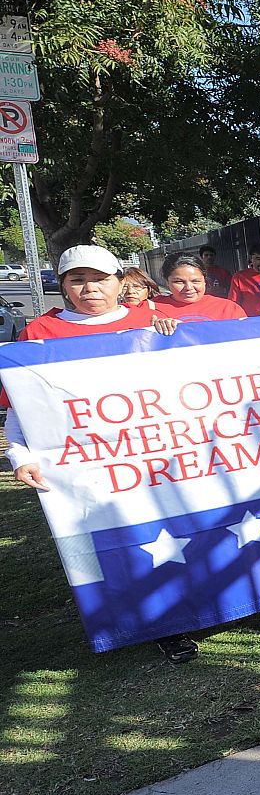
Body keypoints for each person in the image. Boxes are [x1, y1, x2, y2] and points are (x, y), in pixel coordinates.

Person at [2, 245, 193, 663]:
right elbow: (21, 408)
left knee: (175, 531)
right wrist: (20, 455)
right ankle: (162, 623)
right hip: (90, 464)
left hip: (159, 456)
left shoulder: (152, 321)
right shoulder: (40, 332)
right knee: (122, 541)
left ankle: (189, 607)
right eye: (77, 280)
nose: (89, 288)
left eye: (100, 278)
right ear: (63, 285)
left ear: (120, 282)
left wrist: (178, 335)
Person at [154, 253, 248, 322]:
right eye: (179, 282)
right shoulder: (152, 308)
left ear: (204, 281)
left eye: (195, 281)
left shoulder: (228, 308)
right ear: (167, 282)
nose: (188, 287)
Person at [228, 242, 260, 317]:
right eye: (258, 259)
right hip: (250, 321)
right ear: (251, 259)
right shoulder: (239, 277)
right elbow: (233, 304)